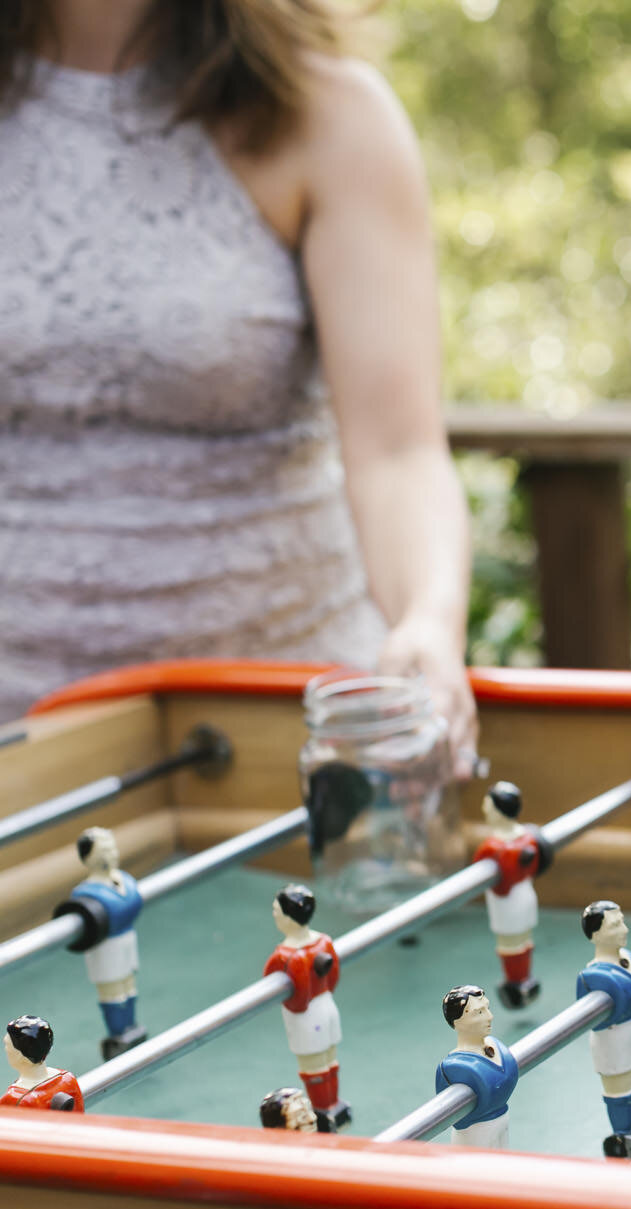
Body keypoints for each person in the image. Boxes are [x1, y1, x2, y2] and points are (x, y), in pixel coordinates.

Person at [0, 0, 475, 768]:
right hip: (18, 750)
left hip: (274, 739)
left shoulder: (330, 114)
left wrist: (427, 618)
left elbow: (398, 453)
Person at [57, 827, 146, 1058]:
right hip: (106, 950)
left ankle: (131, 1028)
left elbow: (129, 905)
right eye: (104, 850)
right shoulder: (85, 893)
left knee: (129, 988)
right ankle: (118, 1035)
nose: (112, 853)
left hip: (126, 940)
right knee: (113, 993)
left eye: (112, 847)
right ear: (89, 858)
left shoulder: (123, 880)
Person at [262, 883, 347, 1126]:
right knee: (330, 1060)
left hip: (307, 1017)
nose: (275, 915)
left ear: (289, 918)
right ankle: (334, 1106)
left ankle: (322, 1111)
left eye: (276, 911)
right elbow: (333, 979)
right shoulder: (324, 941)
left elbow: (296, 1001)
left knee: (313, 1067)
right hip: (328, 1007)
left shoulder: (286, 955)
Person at [576, 900, 631, 1159]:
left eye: (622, 921)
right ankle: (621, 1132)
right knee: (619, 1085)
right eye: (615, 925)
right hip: (612, 1036)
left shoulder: (630, 961)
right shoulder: (593, 978)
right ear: (595, 935)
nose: (624, 929)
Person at [474, 782, 550, 1009]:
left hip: (507, 903)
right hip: (526, 896)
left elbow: (497, 881)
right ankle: (525, 979)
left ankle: (516, 984)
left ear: (499, 811)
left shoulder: (493, 848)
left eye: (488, 805)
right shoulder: (528, 838)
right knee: (523, 939)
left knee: (510, 943)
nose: (484, 809)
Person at [434, 985, 518, 1150]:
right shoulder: (452, 1068)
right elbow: (448, 1116)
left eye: (487, 1008)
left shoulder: (497, 1046)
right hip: (475, 1135)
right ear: (457, 1021)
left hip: (501, 1124)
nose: (490, 1017)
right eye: (479, 1013)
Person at [1, 1016, 81, 1112]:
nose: (5, 1049)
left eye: (7, 1045)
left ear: (21, 1055)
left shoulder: (15, 1099)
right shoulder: (68, 1079)